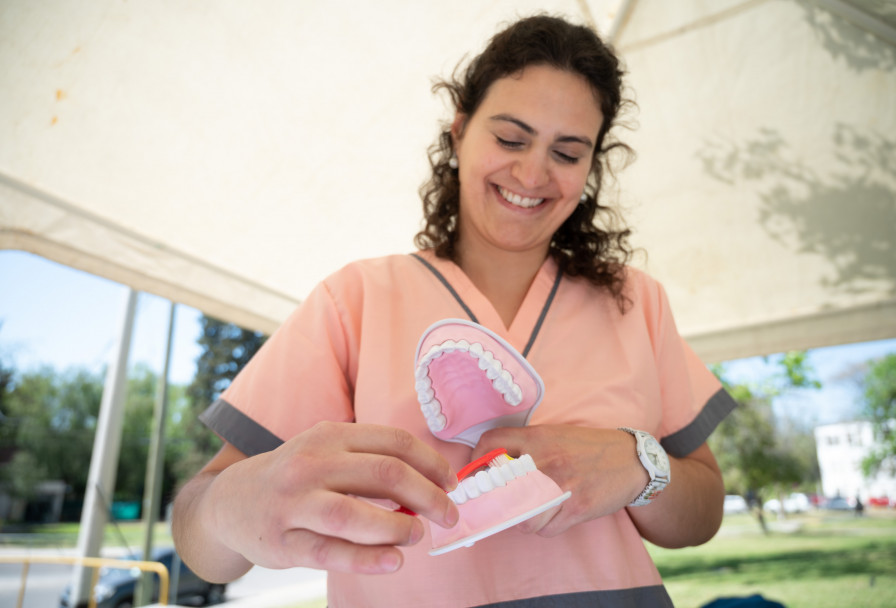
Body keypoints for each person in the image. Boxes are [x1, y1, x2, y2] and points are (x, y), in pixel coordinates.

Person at [172, 14, 737, 607]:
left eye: (567, 153)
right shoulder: (355, 300)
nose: (532, 173)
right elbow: (198, 533)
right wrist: (233, 508)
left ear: (591, 168)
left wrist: (638, 461)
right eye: (511, 139)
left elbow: (701, 515)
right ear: (459, 131)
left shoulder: (636, 301)